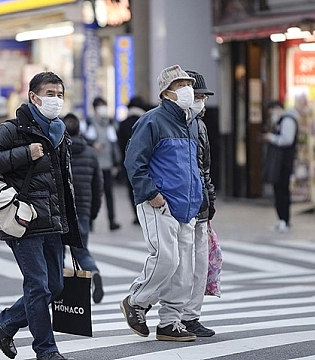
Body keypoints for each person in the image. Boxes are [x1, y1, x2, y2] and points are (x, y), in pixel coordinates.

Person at [0, 71, 82, 360]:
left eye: (60, 94)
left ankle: (6, 321)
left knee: (55, 286)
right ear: (33, 97)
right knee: (37, 286)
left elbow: (62, 183)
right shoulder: (12, 130)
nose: (55, 100)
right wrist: (26, 152)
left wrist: (68, 223)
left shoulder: (60, 132)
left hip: (51, 221)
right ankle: (46, 350)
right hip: (22, 220)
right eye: (50, 94)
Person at [121, 64, 202, 342]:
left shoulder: (190, 123)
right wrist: (152, 194)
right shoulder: (152, 121)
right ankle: (136, 300)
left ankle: (170, 321)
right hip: (160, 202)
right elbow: (134, 162)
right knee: (166, 259)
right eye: (180, 86)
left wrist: (199, 197)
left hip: (187, 206)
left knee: (183, 270)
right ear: (166, 92)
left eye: (188, 84)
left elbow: (193, 166)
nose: (187, 90)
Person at [179, 70, 217, 337]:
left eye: (203, 97)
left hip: (200, 203)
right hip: (178, 204)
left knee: (199, 261)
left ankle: (191, 316)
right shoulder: (168, 123)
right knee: (178, 263)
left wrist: (210, 197)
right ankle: (145, 303)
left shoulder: (200, 126)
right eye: (198, 96)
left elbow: (205, 167)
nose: (201, 101)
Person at [63, 112, 105, 304]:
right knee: (81, 250)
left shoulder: (59, 151)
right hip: (83, 210)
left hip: (61, 211)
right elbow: (98, 187)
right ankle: (93, 271)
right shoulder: (90, 153)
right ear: (80, 131)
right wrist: (93, 211)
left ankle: (58, 289)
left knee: (57, 251)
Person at [83, 97, 121, 231]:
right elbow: (83, 138)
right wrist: (93, 144)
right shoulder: (89, 122)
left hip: (108, 164)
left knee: (109, 194)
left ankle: (112, 220)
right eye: (100, 106)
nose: (103, 109)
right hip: (94, 164)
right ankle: (90, 222)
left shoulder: (110, 122)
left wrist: (117, 161)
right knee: (93, 194)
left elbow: (114, 143)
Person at [263, 98, 300, 232]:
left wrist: (271, 138)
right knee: (278, 190)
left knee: (282, 190)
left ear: (278, 109)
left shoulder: (288, 120)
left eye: (272, 111)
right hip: (280, 162)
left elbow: (287, 140)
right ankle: (282, 219)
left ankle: (285, 219)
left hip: (284, 162)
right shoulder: (281, 121)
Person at [117, 96, 149, 225]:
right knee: (146, 186)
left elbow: (120, 144)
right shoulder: (146, 121)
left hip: (128, 162)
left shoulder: (124, 123)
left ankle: (137, 214)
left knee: (132, 189)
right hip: (146, 161)